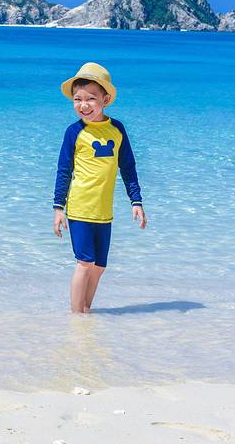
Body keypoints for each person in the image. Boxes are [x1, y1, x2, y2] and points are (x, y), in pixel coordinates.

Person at [53, 62, 147, 313]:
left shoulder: (117, 129)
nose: (83, 105)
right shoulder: (74, 132)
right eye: (77, 99)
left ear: (105, 100)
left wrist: (136, 201)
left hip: (104, 211)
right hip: (80, 208)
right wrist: (58, 207)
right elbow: (64, 170)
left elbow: (128, 167)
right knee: (85, 263)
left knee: (99, 266)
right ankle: (76, 317)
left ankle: (86, 311)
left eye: (90, 99)